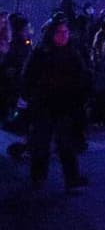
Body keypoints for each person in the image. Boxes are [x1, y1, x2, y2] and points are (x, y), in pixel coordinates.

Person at [21, 13, 90, 190]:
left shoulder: (72, 52)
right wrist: (30, 96)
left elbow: (82, 77)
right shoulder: (41, 52)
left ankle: (71, 179)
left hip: (65, 107)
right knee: (41, 144)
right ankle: (38, 177)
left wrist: (81, 97)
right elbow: (28, 76)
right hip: (44, 106)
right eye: (59, 32)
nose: (63, 35)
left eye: (66, 32)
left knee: (66, 144)